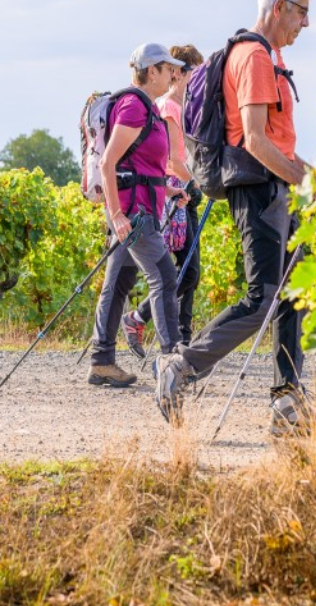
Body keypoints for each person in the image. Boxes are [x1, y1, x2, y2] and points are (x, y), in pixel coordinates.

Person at [153, 0, 316, 432]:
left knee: (294, 293)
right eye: (302, 12)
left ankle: (288, 403)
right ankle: (181, 365)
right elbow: (256, 142)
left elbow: (279, 144)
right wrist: (300, 182)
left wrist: (313, 178)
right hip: (260, 191)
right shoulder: (256, 58)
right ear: (280, 7)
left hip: (273, 188)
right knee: (261, 299)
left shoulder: (265, 56)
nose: (305, 23)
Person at [86, 43, 190, 388]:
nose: (173, 74)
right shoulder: (133, 106)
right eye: (167, 68)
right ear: (151, 72)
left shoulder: (146, 107)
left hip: (137, 208)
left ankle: (102, 361)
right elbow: (108, 162)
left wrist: (169, 188)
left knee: (117, 284)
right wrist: (116, 213)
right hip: (134, 214)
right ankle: (172, 360)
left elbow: (140, 163)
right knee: (165, 276)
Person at [120, 45, 206, 356]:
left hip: (180, 191)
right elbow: (173, 159)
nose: (198, 78)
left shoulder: (181, 107)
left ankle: (181, 336)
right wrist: (197, 184)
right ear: (180, 73)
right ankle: (143, 321)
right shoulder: (168, 108)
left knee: (187, 271)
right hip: (174, 192)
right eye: (194, 71)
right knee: (183, 271)